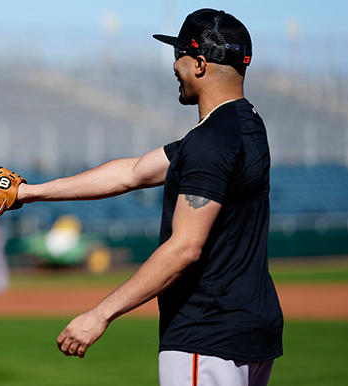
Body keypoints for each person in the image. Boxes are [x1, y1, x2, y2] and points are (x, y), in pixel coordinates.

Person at [16, 9, 283, 386]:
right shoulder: (246, 124)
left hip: (206, 333)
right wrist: (29, 192)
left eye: (180, 55)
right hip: (251, 330)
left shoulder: (209, 144)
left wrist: (100, 314)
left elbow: (184, 248)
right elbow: (134, 172)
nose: (174, 65)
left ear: (201, 64)